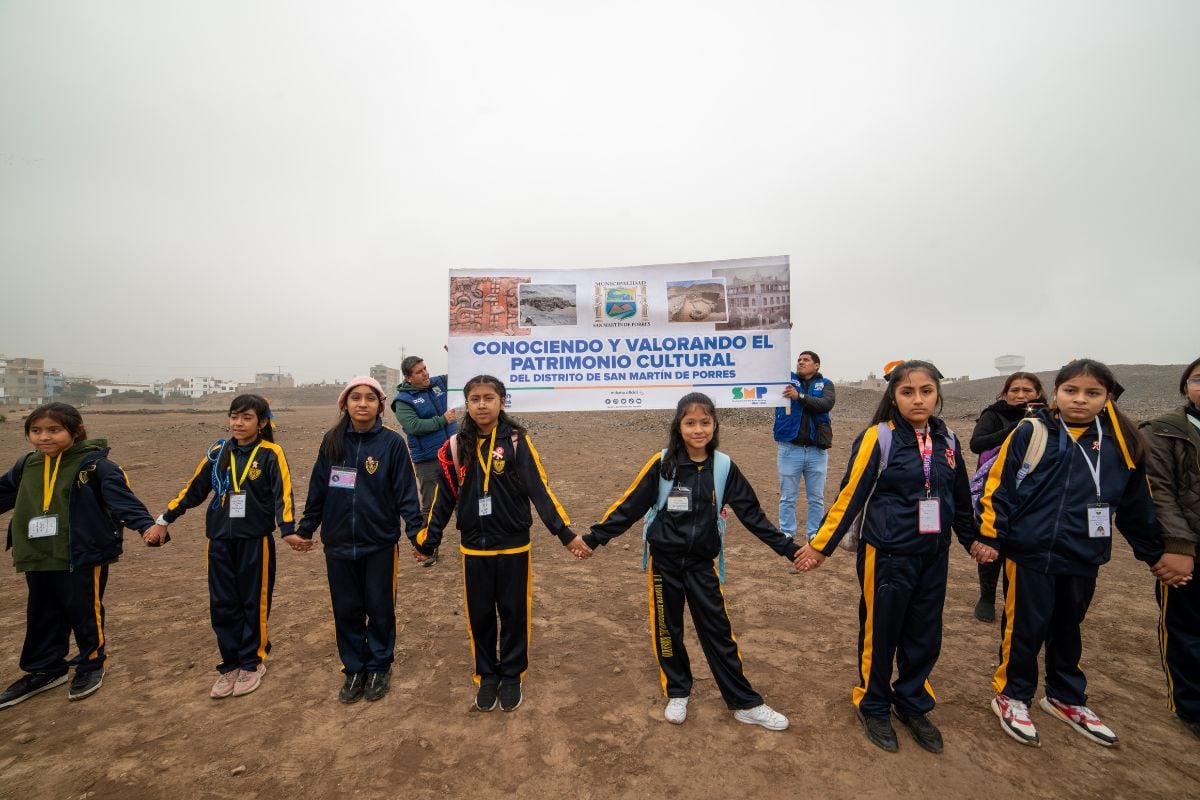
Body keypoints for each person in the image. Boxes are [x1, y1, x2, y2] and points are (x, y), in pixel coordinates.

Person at [977, 359, 1181, 748]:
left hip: (1084, 553)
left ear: (1107, 398)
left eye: (1092, 393)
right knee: (1024, 629)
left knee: (1069, 627)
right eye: (1071, 391)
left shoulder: (1121, 443)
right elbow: (998, 488)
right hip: (1030, 552)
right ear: (1056, 393)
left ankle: (1065, 697)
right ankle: (1012, 695)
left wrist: (1155, 554)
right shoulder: (1032, 431)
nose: (1080, 399)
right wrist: (992, 536)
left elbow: (1136, 505)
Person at [583, 392, 799, 731]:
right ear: (678, 427)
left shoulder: (724, 467)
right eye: (690, 423)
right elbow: (629, 506)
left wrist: (788, 549)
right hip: (664, 564)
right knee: (667, 629)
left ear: (714, 425)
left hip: (701, 565)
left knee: (718, 631)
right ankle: (678, 692)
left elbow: (753, 515)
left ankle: (745, 703)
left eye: (705, 422)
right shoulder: (663, 464)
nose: (698, 430)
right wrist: (593, 539)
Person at [796, 360, 980, 754]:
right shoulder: (878, 438)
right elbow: (850, 495)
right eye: (907, 392)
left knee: (925, 634)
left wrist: (974, 541)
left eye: (926, 391)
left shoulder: (948, 440)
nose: (918, 400)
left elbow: (961, 498)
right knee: (881, 633)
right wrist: (820, 546)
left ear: (937, 394)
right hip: (887, 553)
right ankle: (874, 704)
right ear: (893, 397)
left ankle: (912, 703)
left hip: (934, 554)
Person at [413, 375, 583, 713]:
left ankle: (512, 675)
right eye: (475, 399)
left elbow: (539, 489)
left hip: (513, 545)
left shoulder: (517, 441)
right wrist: (428, 541)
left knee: (513, 613)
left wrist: (564, 534)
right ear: (466, 403)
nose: (482, 405)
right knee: (480, 616)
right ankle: (487, 676)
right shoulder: (455, 447)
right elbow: (443, 499)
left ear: (502, 401)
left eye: (488, 398)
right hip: (473, 547)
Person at [142, 394, 301, 698]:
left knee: (253, 601)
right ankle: (230, 664)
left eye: (247, 418)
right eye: (234, 416)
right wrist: (164, 519)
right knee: (222, 603)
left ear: (261, 422)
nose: (238, 423)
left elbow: (284, 492)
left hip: (255, 540)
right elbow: (194, 490)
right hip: (218, 541)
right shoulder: (218, 453)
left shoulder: (271, 453)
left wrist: (288, 530)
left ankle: (252, 662)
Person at [0, 402, 155, 708]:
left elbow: (122, 500)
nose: (44, 437)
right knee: (42, 612)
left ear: (76, 431)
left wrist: (146, 526)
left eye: (54, 430)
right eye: (36, 430)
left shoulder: (95, 466)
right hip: (38, 553)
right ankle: (46, 668)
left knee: (84, 611)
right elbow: (3, 493)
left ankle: (91, 663)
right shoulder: (27, 465)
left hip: (82, 553)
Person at [296, 377, 424, 704]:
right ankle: (354, 668)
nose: (362, 403)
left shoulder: (392, 443)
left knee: (380, 608)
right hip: (338, 543)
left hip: (379, 542)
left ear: (380, 405)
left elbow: (406, 493)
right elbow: (318, 489)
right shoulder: (332, 441)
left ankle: (379, 666)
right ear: (345, 404)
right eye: (356, 397)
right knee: (346, 610)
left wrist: (417, 534)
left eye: (370, 398)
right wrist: (307, 528)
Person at [1140, 357, 1200, 739]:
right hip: (1189, 552)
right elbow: (1157, 491)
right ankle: (1192, 707)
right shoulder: (1163, 431)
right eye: (1198, 379)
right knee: (1187, 629)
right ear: (1185, 387)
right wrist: (1178, 546)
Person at [968, 372, 1048, 623]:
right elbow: (976, 444)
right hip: (994, 486)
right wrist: (1016, 429)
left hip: (1032, 491)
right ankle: (987, 597)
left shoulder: (1050, 417)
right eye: (1015, 390)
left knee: (1022, 545)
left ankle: (1015, 599)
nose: (1021, 395)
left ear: (1038, 393)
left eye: (1027, 390)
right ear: (1005, 393)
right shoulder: (993, 414)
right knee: (991, 538)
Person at [391, 355, 458, 568]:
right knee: (431, 505)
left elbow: (460, 375)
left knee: (464, 500)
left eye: (425, 368)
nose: (426, 373)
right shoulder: (403, 401)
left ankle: (473, 542)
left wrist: (457, 354)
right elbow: (414, 426)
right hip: (428, 460)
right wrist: (442, 420)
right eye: (419, 372)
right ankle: (428, 549)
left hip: (455, 454)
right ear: (408, 377)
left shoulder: (438, 383)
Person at [773, 351, 836, 541]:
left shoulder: (826, 384)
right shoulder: (785, 379)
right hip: (789, 449)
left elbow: (826, 404)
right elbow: (769, 367)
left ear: (817, 365)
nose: (801, 362)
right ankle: (787, 532)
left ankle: (814, 533)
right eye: (799, 360)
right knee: (787, 497)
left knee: (816, 497)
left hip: (816, 451)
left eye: (806, 360)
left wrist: (799, 396)